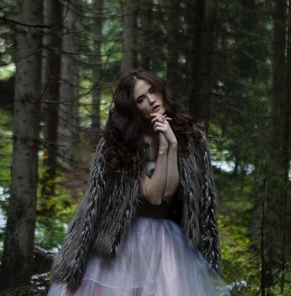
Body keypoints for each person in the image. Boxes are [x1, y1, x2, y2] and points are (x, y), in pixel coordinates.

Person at [48, 69, 230, 295]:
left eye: (152, 91)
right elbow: (153, 196)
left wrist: (170, 145)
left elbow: (169, 192)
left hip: (169, 243)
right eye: (141, 99)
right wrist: (165, 148)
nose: (151, 101)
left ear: (161, 90)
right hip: (123, 243)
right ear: (133, 107)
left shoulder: (189, 137)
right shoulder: (124, 142)